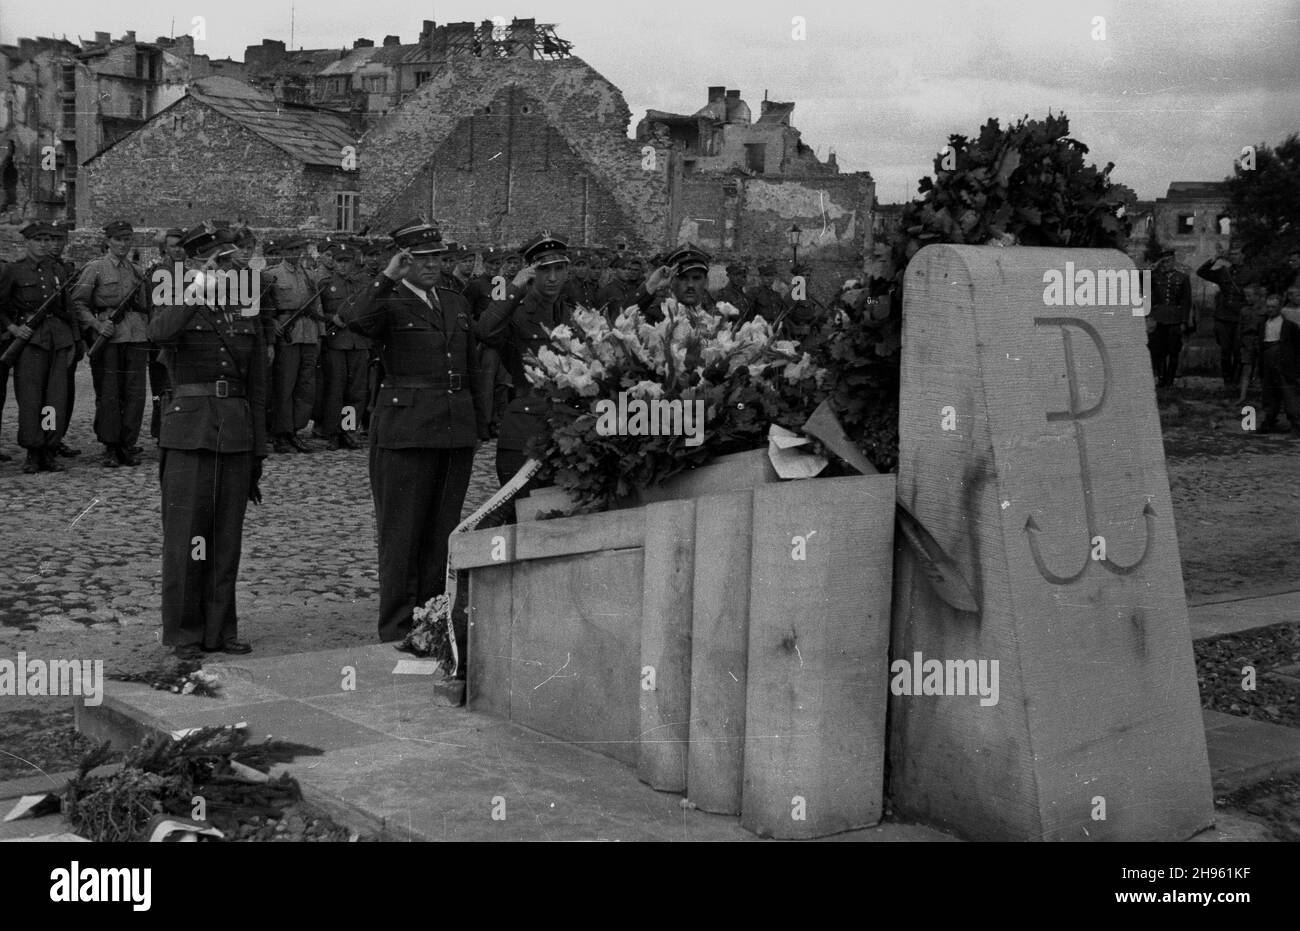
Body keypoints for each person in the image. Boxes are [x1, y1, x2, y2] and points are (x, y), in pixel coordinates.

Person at [341, 220, 482, 644]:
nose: (432, 266)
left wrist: (476, 420)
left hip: (454, 429)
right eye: (421, 259)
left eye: (438, 257)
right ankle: (398, 627)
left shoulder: (455, 302)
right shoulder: (388, 300)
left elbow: (469, 365)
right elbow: (351, 318)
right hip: (405, 430)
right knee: (401, 533)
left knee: (442, 532)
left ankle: (432, 620)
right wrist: (386, 277)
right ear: (404, 261)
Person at [148, 223, 266, 656]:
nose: (231, 264)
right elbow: (159, 332)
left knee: (225, 537)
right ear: (199, 261)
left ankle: (221, 631)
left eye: (232, 257)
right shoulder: (176, 294)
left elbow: (258, 384)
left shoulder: (246, 306)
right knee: (187, 536)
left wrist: (259, 447)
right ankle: (184, 632)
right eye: (219, 258)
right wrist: (199, 282)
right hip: (189, 430)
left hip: (235, 429)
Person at [475, 231, 573, 524]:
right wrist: (514, 286)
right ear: (531, 272)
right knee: (519, 516)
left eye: (559, 269)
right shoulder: (515, 313)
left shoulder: (568, 312)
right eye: (544, 270)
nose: (553, 278)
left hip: (565, 430)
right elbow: (485, 331)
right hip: (525, 427)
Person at [0, 222, 78, 473]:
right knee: (31, 398)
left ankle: (48, 449)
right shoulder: (14, 270)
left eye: (48, 240)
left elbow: (69, 309)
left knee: (53, 400)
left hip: (58, 339)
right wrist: (12, 329)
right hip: (31, 340)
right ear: (27, 243)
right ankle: (33, 451)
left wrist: (76, 341)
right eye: (39, 240)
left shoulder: (58, 269)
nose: (45, 245)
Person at [72, 220, 149, 468]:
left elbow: (145, 306)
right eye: (118, 239)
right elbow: (78, 303)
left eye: (127, 239)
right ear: (108, 241)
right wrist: (95, 325)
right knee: (109, 393)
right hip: (109, 337)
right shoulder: (94, 269)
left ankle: (127, 444)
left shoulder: (137, 271)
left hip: (136, 337)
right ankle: (110, 446)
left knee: (135, 394)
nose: (123, 244)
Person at [264, 237, 325, 453]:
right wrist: (272, 324)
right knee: (284, 386)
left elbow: (317, 306)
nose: (296, 252)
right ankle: (281, 433)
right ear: (281, 251)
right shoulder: (272, 274)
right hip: (287, 335)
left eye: (298, 248)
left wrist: (320, 335)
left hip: (308, 333)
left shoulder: (308, 275)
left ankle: (296, 430)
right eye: (291, 249)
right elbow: (264, 306)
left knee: (305, 386)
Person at [319, 243, 370, 450]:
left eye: (346, 262)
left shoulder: (363, 284)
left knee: (356, 390)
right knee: (335, 389)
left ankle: (348, 430)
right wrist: (333, 318)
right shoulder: (325, 284)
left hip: (358, 342)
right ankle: (333, 432)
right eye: (339, 261)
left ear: (353, 263)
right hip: (336, 343)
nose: (342, 266)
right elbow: (316, 312)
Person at [49, 221, 83, 460]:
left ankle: (56, 437)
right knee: (44, 395)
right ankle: (45, 440)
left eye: (59, 239)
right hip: (41, 341)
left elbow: (73, 307)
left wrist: (77, 339)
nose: (55, 244)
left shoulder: (66, 269)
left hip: (66, 339)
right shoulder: (24, 269)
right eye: (50, 239)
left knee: (64, 394)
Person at [1197, 248, 1248, 393]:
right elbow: (1201, 272)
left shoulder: (1250, 272)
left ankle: (1237, 383)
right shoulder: (1223, 272)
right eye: (1231, 254)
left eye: (1237, 254)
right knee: (1225, 351)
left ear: (1242, 256)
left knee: (1238, 351)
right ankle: (1228, 382)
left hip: (1240, 317)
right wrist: (1215, 258)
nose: (1234, 257)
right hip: (1223, 317)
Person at [634, 243, 715, 323]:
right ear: (671, 281)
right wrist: (651, 286)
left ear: (706, 281)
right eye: (683, 278)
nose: (690, 285)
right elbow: (624, 319)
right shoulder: (654, 315)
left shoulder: (721, 315)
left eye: (696, 278)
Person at [1146, 249, 1193, 389]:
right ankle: (1161, 378)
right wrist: (1153, 266)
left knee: (1173, 350)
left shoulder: (1182, 278)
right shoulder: (1155, 277)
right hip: (1159, 318)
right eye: (1164, 261)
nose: (1167, 264)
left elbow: (1186, 302)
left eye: (1169, 261)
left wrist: (1184, 321)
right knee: (1158, 350)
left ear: (1174, 261)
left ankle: (1170, 380)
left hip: (1175, 319)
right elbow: (1140, 279)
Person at [1256, 292, 1300, 433]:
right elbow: (1260, 346)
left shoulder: (1290, 326)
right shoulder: (1262, 325)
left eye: (1273, 307)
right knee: (1269, 392)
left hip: (1284, 362)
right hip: (1267, 361)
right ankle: (1269, 421)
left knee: (1288, 392)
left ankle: (1296, 424)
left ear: (1280, 307)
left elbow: (1297, 348)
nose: (1270, 310)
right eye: (1268, 307)